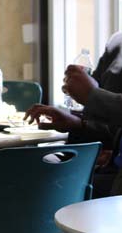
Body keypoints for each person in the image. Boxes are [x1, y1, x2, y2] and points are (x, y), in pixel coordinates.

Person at [25, 31, 122, 197]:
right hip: (109, 167)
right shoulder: (117, 44)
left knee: (39, 183)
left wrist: (93, 95)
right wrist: (76, 123)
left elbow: (98, 99)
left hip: (114, 180)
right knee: (26, 168)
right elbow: (113, 128)